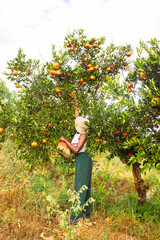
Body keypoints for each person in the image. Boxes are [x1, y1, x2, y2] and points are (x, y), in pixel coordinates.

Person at [60, 98, 92, 225]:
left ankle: (74, 219)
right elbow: (77, 116)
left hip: (83, 159)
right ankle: (86, 216)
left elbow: (76, 150)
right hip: (81, 160)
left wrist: (65, 140)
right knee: (85, 188)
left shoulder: (83, 135)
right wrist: (76, 103)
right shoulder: (79, 133)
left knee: (80, 188)